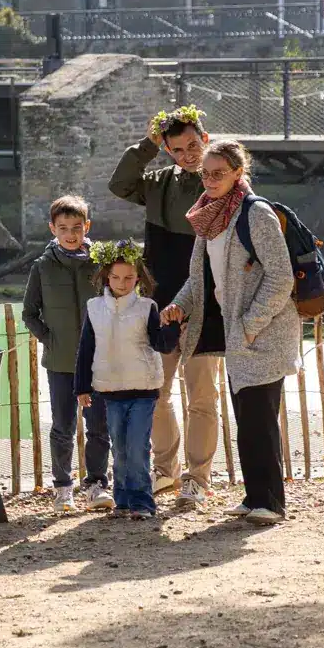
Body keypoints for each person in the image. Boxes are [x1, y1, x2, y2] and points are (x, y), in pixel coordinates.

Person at [160, 140, 298, 524]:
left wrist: (251, 326)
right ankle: (255, 497)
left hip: (265, 332)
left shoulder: (256, 213)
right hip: (239, 335)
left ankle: (271, 503)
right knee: (247, 418)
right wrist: (179, 305)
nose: (209, 179)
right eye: (205, 173)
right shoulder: (210, 215)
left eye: (218, 173)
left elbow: (281, 277)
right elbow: (199, 279)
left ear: (238, 173)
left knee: (260, 419)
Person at [110, 105, 218, 510]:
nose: (188, 155)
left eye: (193, 145)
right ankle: (166, 470)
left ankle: (198, 479)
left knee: (201, 396)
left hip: (206, 303)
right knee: (156, 392)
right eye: (178, 149)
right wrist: (148, 143)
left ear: (205, 139)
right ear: (168, 151)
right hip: (159, 303)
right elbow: (120, 184)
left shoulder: (220, 185)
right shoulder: (156, 184)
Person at [76, 243, 181, 521]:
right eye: (116, 277)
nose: (122, 283)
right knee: (120, 449)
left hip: (143, 390)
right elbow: (86, 349)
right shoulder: (94, 308)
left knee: (137, 448)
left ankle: (143, 503)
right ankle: (122, 501)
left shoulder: (147, 307)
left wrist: (172, 327)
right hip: (110, 392)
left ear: (138, 279)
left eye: (128, 278)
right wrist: (82, 387)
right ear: (106, 277)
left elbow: (161, 344)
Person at [22, 194, 111, 513]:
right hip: (60, 362)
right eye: (63, 228)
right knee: (62, 426)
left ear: (87, 226)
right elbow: (29, 313)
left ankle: (97, 485)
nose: (70, 234)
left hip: (98, 361)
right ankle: (63, 488)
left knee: (98, 426)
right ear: (52, 229)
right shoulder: (42, 267)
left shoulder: (102, 263)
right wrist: (51, 339)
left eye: (76, 227)